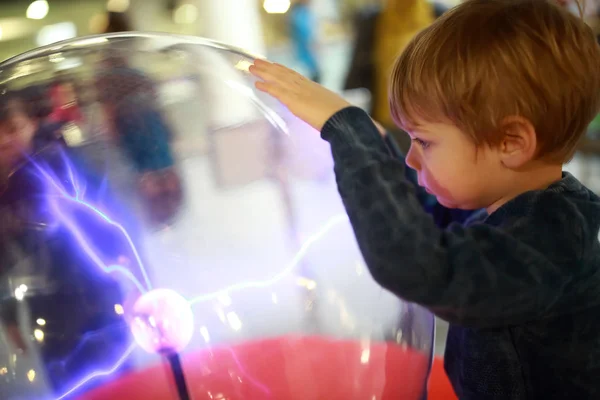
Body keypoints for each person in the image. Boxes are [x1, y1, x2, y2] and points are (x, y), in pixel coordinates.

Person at [249, 0, 600, 398]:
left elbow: (420, 266)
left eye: (424, 141)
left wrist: (352, 135)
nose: (412, 158)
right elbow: (428, 217)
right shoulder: (509, 207)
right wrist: (380, 155)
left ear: (511, 142)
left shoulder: (556, 236)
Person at [0, 91, 135, 395]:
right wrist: (8, 316)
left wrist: (134, 279)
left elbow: (110, 221)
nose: (4, 141)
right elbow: (3, 256)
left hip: (97, 294)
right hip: (48, 314)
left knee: (122, 382)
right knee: (72, 384)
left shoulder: (63, 164)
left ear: (33, 124)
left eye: (12, 129)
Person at [289, 0, 321, 83]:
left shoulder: (304, 12)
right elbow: (306, 34)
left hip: (309, 59)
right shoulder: (299, 14)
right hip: (305, 60)